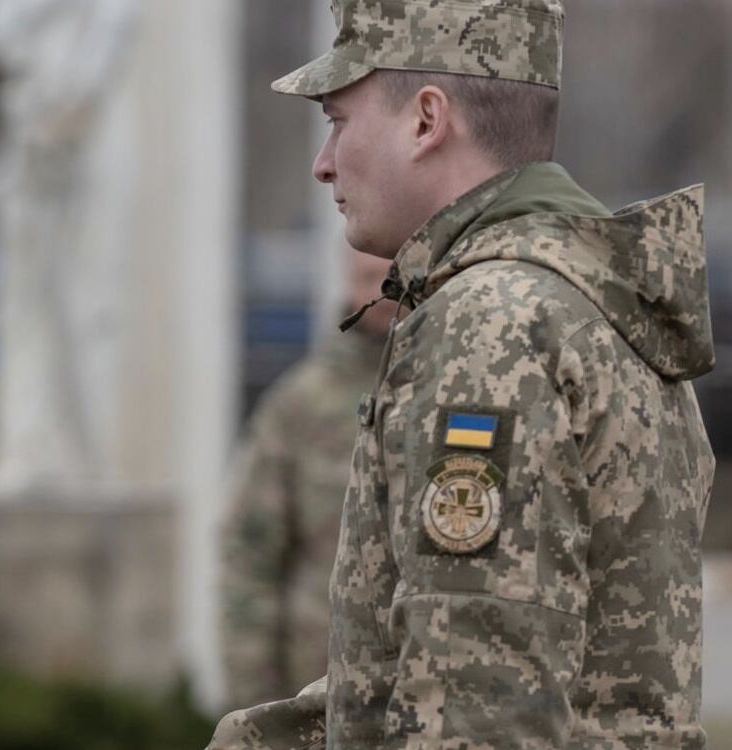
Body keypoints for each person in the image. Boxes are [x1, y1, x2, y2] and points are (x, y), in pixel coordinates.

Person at [208, 1, 716, 747]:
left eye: (338, 121)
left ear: (426, 121)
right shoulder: (584, 299)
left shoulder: (492, 321)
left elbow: (477, 700)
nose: (323, 164)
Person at [219, 251, 394, 708]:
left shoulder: (457, 386)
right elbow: (249, 554)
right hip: (320, 684)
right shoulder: (300, 404)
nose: (385, 293)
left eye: (396, 276)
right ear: (348, 286)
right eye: (371, 277)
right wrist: (254, 699)